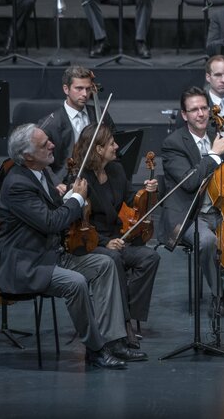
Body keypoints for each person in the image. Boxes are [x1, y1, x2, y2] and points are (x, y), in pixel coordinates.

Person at [0, 124, 146, 369]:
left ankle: (113, 341)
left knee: (106, 262)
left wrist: (64, 198)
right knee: (75, 282)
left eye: (49, 140)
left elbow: (52, 210)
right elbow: (50, 222)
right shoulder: (17, 185)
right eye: (45, 144)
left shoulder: (40, 173)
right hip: (27, 265)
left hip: (50, 256)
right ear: (28, 156)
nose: (52, 145)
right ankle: (96, 351)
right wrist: (76, 198)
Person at [161, 87, 224, 313]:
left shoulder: (221, 139)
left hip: (223, 211)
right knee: (206, 242)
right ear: (184, 115)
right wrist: (215, 155)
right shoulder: (173, 144)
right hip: (191, 214)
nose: (201, 113)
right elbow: (189, 183)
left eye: (204, 108)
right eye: (194, 110)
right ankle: (218, 294)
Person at [71, 123, 160, 348]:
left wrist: (148, 191)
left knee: (150, 257)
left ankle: (125, 315)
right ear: (99, 150)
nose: (117, 146)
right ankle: (124, 326)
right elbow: (76, 223)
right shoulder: (81, 179)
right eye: (112, 143)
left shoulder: (116, 170)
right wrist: (104, 242)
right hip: (91, 242)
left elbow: (132, 198)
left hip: (117, 238)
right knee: (113, 259)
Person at [39, 66, 114, 185]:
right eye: (79, 88)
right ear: (66, 89)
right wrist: (56, 183)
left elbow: (114, 146)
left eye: (88, 89)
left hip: (100, 176)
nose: (85, 94)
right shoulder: (51, 124)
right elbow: (39, 159)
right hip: (67, 180)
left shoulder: (101, 114)